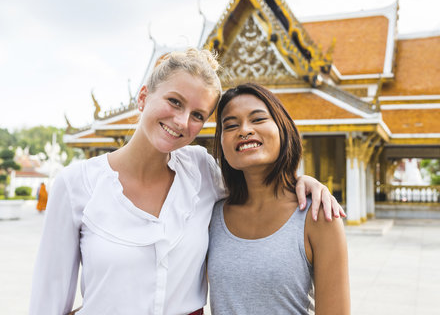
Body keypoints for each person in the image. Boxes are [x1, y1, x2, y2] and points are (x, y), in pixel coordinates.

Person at [29, 49, 344, 315]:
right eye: (174, 102)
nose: (181, 121)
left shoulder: (201, 172)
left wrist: (305, 182)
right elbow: (48, 303)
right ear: (143, 97)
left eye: (198, 115)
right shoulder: (75, 186)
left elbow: (256, 176)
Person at [208, 83, 350, 314]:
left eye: (258, 119)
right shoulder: (211, 215)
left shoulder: (318, 215)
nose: (244, 130)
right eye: (231, 125)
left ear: (283, 129)